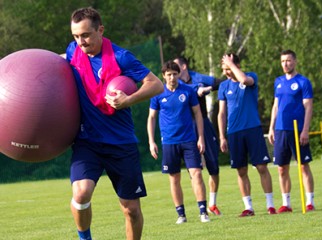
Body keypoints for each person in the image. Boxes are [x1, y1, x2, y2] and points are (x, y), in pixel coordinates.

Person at [65, 7, 164, 240]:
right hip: (87, 141)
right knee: (81, 194)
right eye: (76, 36)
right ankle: (85, 238)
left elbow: (155, 84)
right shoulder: (73, 51)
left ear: (100, 30)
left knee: (131, 209)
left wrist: (128, 99)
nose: (80, 41)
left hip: (120, 143)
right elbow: (57, 63)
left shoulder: (122, 57)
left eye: (86, 35)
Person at [147, 61, 210, 224]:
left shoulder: (188, 91)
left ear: (178, 74)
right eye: (169, 74)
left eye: (175, 74)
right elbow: (152, 117)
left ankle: (203, 212)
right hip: (169, 142)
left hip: (189, 141)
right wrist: (151, 141)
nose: (172, 77)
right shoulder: (157, 93)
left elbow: (197, 114)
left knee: (196, 174)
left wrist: (201, 137)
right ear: (164, 76)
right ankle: (181, 214)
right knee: (174, 178)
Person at [217, 53, 276, 216]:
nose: (226, 72)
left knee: (261, 167)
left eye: (228, 68)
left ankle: (270, 205)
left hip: (253, 129)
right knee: (241, 170)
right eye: (224, 69)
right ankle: (248, 207)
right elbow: (221, 113)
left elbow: (243, 80)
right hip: (234, 132)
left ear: (237, 66)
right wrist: (222, 136)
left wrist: (231, 64)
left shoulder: (251, 77)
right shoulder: (223, 87)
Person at [173, 56, 222, 215]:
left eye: (176, 67)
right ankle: (200, 206)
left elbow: (219, 83)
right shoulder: (175, 85)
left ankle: (212, 204)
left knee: (213, 165)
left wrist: (207, 89)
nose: (173, 72)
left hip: (204, 124)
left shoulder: (199, 78)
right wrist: (197, 90)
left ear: (184, 67)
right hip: (186, 128)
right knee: (194, 170)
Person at [268, 49, 315, 213]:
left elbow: (308, 107)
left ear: (295, 61)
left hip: (297, 129)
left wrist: (305, 130)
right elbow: (275, 106)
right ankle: (286, 203)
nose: (285, 64)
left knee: (303, 166)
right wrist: (271, 128)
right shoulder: (278, 81)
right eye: (282, 61)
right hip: (281, 130)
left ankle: (309, 201)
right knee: (282, 168)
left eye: (288, 61)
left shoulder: (303, 82)